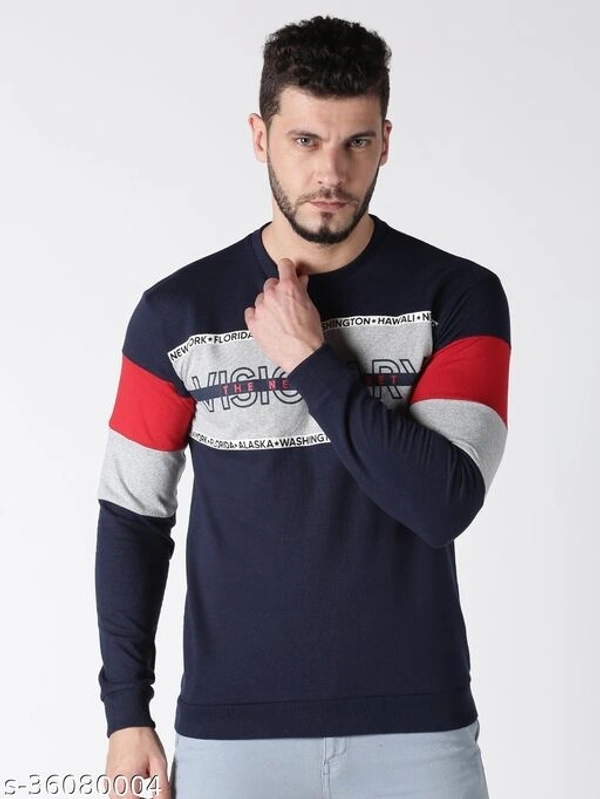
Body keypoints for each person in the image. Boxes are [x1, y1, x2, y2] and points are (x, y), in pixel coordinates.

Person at [95, 14, 510, 799]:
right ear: (260, 137)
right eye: (306, 140)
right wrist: (125, 712)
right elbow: (132, 515)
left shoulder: (457, 297)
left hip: (419, 731)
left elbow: (443, 503)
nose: (332, 171)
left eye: (356, 142)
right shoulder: (174, 313)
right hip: (230, 735)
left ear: (386, 142)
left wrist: (312, 362)